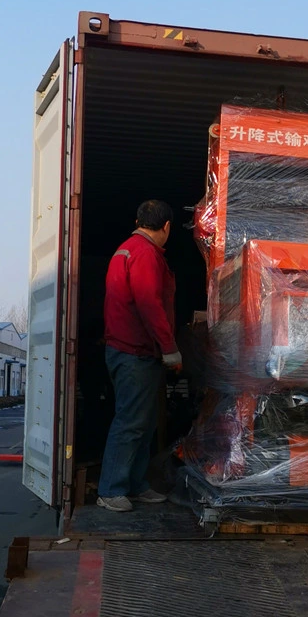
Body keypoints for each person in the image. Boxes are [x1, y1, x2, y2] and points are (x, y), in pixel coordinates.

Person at [97, 200, 182, 512]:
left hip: (128, 350)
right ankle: (111, 489)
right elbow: (149, 304)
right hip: (134, 351)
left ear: (137, 220)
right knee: (131, 422)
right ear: (167, 227)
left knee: (142, 423)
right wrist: (170, 348)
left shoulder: (127, 249)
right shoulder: (146, 254)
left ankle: (134, 485)